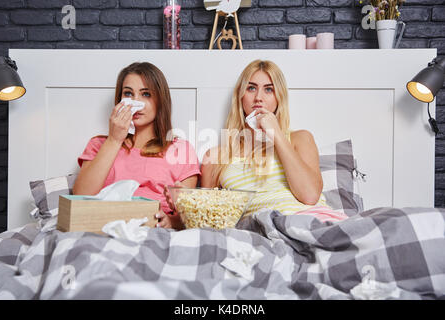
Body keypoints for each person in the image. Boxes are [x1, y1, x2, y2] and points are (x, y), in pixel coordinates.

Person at [73, 62, 200, 230]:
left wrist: (171, 221)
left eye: (146, 94)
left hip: (154, 228)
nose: (136, 102)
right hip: (103, 225)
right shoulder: (99, 145)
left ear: (160, 100)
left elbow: (187, 215)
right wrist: (114, 139)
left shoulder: (181, 150)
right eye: (128, 94)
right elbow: (81, 196)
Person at [200, 59, 333, 217]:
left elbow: (310, 195)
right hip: (260, 231)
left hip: (312, 221)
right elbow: (205, 218)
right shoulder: (215, 157)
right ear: (240, 96)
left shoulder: (300, 139)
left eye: (268, 90)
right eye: (251, 88)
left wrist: (276, 133)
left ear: (279, 98)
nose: (258, 98)